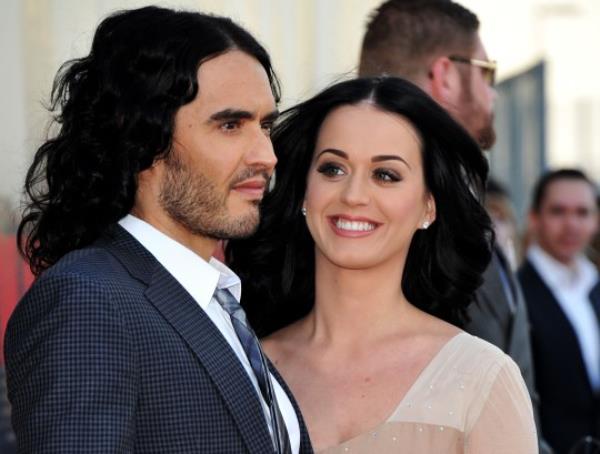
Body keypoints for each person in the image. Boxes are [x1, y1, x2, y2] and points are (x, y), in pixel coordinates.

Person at [4, 7, 312, 453]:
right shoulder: (87, 302)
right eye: (230, 125)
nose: (267, 155)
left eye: (265, 125)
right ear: (143, 137)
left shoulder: (218, 302)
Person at [227, 76, 537, 453]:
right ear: (304, 190)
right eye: (332, 169)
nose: (354, 195)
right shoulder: (245, 368)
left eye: (385, 175)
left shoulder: (481, 378)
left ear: (428, 205)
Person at [357, 2, 548, 450]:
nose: (493, 92)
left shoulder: (460, 195)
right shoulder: (388, 220)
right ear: (445, 75)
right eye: (487, 72)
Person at [518, 169, 600, 454]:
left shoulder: (595, 287)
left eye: (582, 212)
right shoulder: (516, 295)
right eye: (558, 212)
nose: (571, 225)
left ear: (596, 220)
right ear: (534, 218)